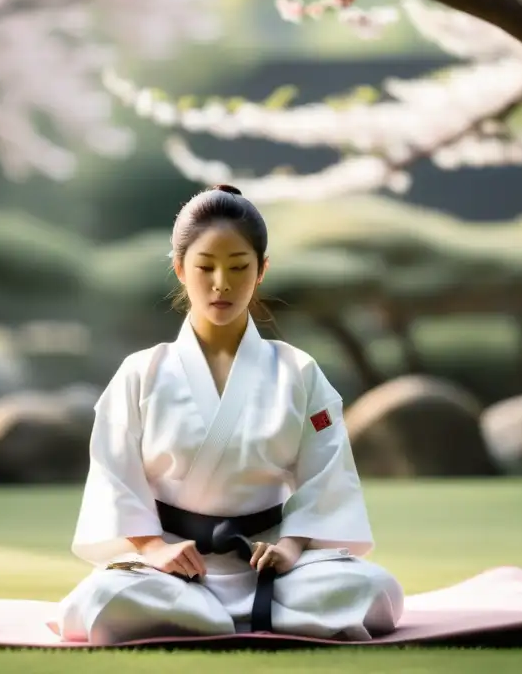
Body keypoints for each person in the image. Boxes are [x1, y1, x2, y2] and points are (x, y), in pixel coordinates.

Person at [54, 184, 404, 644]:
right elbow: (114, 476)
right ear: (180, 269)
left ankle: (203, 622)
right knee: (104, 595)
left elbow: (326, 474)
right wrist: (155, 549)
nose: (222, 283)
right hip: (171, 570)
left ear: (261, 271)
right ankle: (223, 616)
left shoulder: (298, 371)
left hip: (272, 568)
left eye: (239, 267)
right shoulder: (141, 372)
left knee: (371, 588)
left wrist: (291, 546)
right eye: (206, 267)